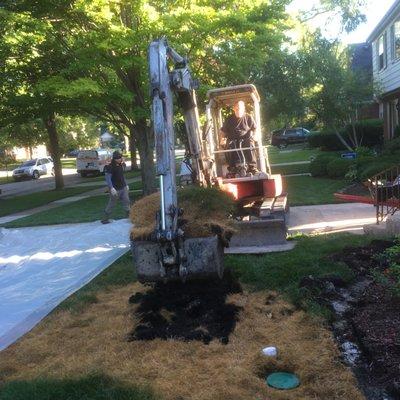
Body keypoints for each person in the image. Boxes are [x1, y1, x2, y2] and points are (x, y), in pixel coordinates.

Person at [220, 100, 258, 176]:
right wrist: (222, 139)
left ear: (243, 109)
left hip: (246, 139)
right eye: (236, 109)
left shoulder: (248, 118)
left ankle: (252, 167)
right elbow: (223, 132)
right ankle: (232, 168)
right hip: (232, 140)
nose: (238, 110)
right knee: (228, 145)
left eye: (240, 108)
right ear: (234, 109)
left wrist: (255, 135)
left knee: (250, 144)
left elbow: (255, 129)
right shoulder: (229, 119)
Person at [101, 150, 130, 224]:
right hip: (115, 189)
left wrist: (126, 184)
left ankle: (129, 217)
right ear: (115, 159)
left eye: (121, 157)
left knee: (126, 201)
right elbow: (108, 178)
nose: (121, 159)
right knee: (112, 203)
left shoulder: (120, 165)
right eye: (119, 158)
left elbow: (122, 176)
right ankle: (105, 219)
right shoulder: (110, 167)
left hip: (123, 187)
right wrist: (111, 188)